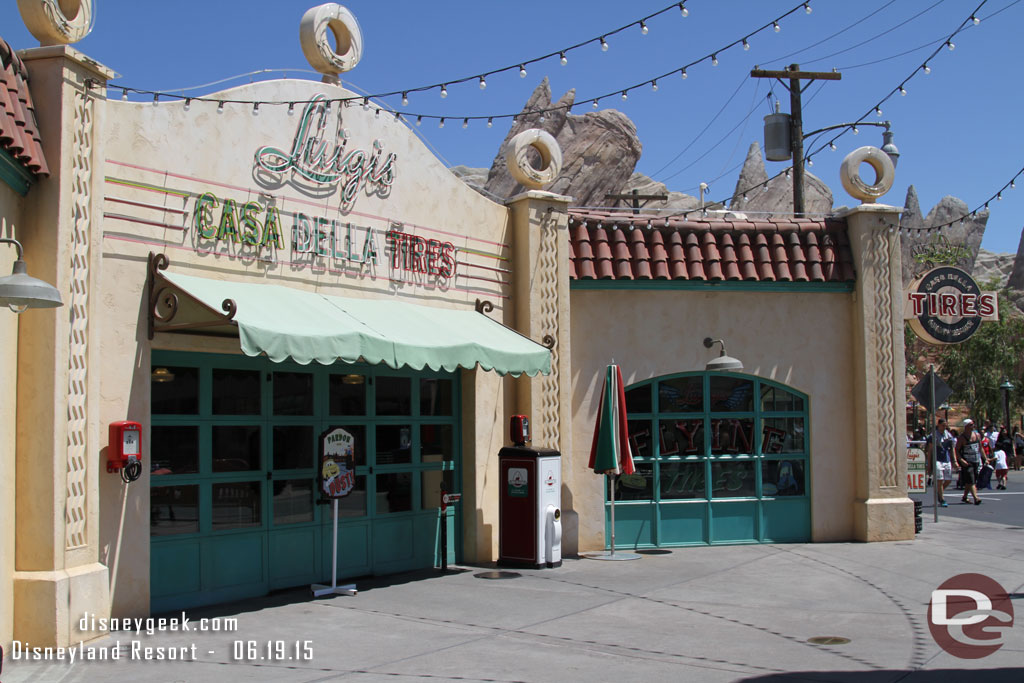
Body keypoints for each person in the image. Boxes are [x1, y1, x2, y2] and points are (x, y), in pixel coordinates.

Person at [926, 418, 955, 507]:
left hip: (946, 459)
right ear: (938, 425)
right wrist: (929, 464)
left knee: (948, 480)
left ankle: (939, 492)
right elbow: (930, 450)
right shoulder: (933, 436)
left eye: (945, 425)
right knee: (940, 480)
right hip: (937, 459)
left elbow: (952, 449)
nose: (944, 427)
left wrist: (955, 461)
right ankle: (942, 499)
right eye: (943, 425)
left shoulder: (948, 435)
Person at [956, 419, 984, 504]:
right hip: (967, 462)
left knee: (971, 480)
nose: (973, 426)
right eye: (971, 425)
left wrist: (985, 458)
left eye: (973, 424)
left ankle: (965, 497)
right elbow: (956, 450)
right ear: (966, 426)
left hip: (976, 460)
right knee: (971, 480)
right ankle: (976, 498)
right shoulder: (962, 438)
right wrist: (960, 460)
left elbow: (980, 448)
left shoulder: (977, 435)